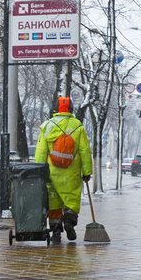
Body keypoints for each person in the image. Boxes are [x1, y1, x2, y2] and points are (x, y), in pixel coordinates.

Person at [35, 97, 93, 243]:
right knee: (71, 200)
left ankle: (55, 231)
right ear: (71, 109)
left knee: (54, 202)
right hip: (71, 173)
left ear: (55, 109)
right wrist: (87, 172)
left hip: (52, 173)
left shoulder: (47, 126)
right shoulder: (77, 126)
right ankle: (69, 219)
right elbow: (84, 150)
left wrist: (39, 170)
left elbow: (41, 151)